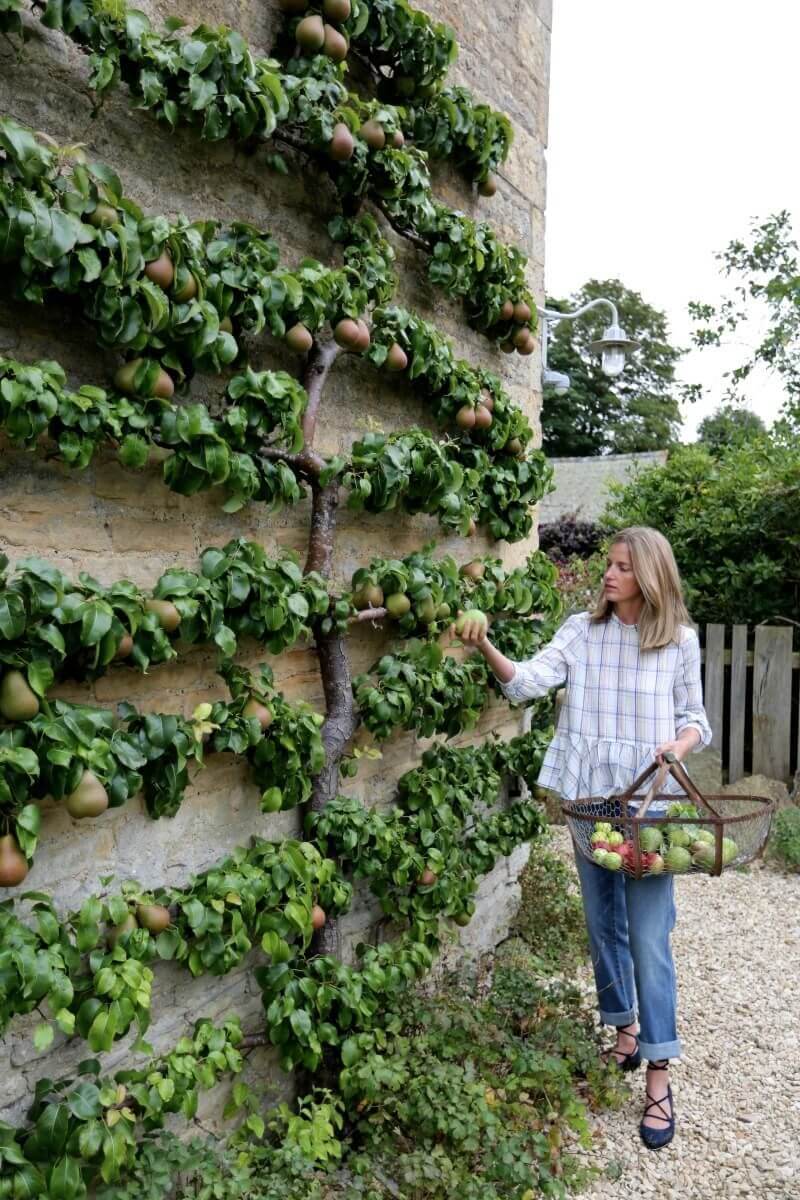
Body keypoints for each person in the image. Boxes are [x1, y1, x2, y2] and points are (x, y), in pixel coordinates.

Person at [454, 525, 712, 1150]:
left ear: (650, 575)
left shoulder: (678, 640)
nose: (609, 574)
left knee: (650, 937)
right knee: (603, 926)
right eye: (609, 565)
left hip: (649, 804)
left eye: (623, 567)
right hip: (589, 801)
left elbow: (695, 719)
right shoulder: (581, 631)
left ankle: (658, 1072)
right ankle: (622, 1028)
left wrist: (677, 747)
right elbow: (525, 682)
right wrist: (487, 644)